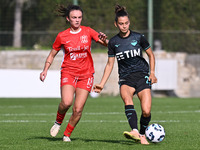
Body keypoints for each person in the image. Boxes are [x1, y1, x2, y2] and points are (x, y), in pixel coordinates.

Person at [40, 4, 108, 142]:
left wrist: (104, 39)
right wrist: (45, 70)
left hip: (86, 74)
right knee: (66, 102)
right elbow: (52, 54)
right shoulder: (62, 36)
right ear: (68, 19)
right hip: (68, 72)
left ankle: (67, 135)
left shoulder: (88, 31)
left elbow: (107, 43)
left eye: (79, 17)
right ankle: (58, 122)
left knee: (78, 109)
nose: (77, 20)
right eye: (74, 18)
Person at [93, 4, 157, 145]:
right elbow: (110, 64)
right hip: (125, 78)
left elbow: (151, 55)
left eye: (126, 23)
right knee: (128, 101)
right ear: (116, 24)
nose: (124, 26)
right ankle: (134, 130)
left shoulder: (139, 37)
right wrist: (101, 84)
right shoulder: (113, 42)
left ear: (129, 22)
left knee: (146, 111)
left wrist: (152, 73)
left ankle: (142, 134)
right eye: (121, 24)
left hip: (142, 76)